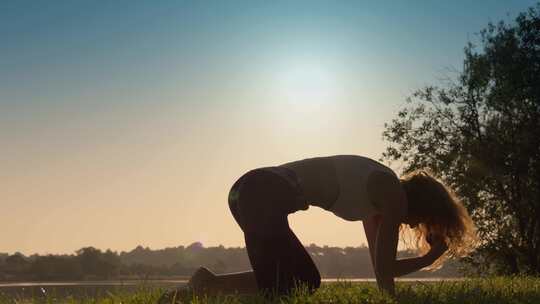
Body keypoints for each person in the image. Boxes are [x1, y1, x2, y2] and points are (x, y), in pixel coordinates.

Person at [187, 155, 476, 297]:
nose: (416, 225)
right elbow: (386, 278)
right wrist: (422, 263)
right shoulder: (391, 192)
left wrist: (426, 260)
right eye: (426, 220)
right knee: (280, 288)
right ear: (424, 204)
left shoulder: (378, 200)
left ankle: (206, 284)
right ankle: (204, 286)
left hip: (249, 192)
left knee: (299, 282)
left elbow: (381, 270)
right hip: (260, 191)